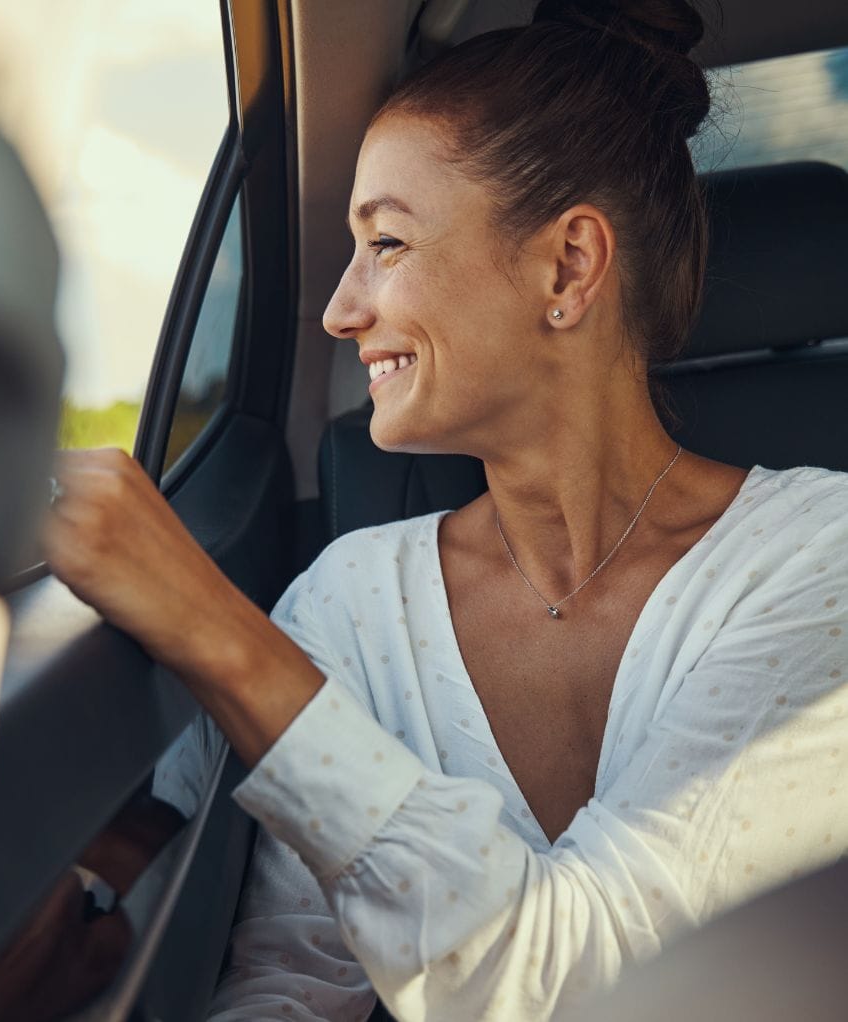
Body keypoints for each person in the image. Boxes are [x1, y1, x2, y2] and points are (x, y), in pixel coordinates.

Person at [42, 1, 848, 1019]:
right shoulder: (347, 602)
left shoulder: (820, 562)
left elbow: (593, 979)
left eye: (386, 242)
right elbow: (286, 986)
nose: (339, 309)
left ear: (568, 266)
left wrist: (211, 626)